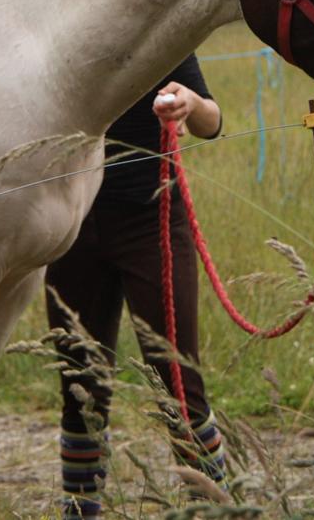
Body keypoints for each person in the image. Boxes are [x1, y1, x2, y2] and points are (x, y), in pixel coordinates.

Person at [45, 53, 226, 519]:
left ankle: (213, 508)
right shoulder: (62, 35)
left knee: (179, 386)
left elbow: (212, 121)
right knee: (80, 388)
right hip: (73, 227)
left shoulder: (157, 34)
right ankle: (80, 512)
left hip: (153, 222)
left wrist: (190, 104)